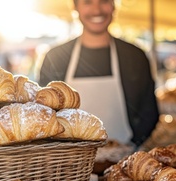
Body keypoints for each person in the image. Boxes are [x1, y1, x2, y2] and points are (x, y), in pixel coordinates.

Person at [38, 0, 159, 148]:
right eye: (88, 2)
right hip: (67, 161)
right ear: (76, 7)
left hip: (122, 160)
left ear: (114, 5)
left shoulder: (135, 57)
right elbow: (43, 112)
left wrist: (130, 147)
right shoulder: (55, 58)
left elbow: (149, 111)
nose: (97, 10)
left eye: (104, 1)